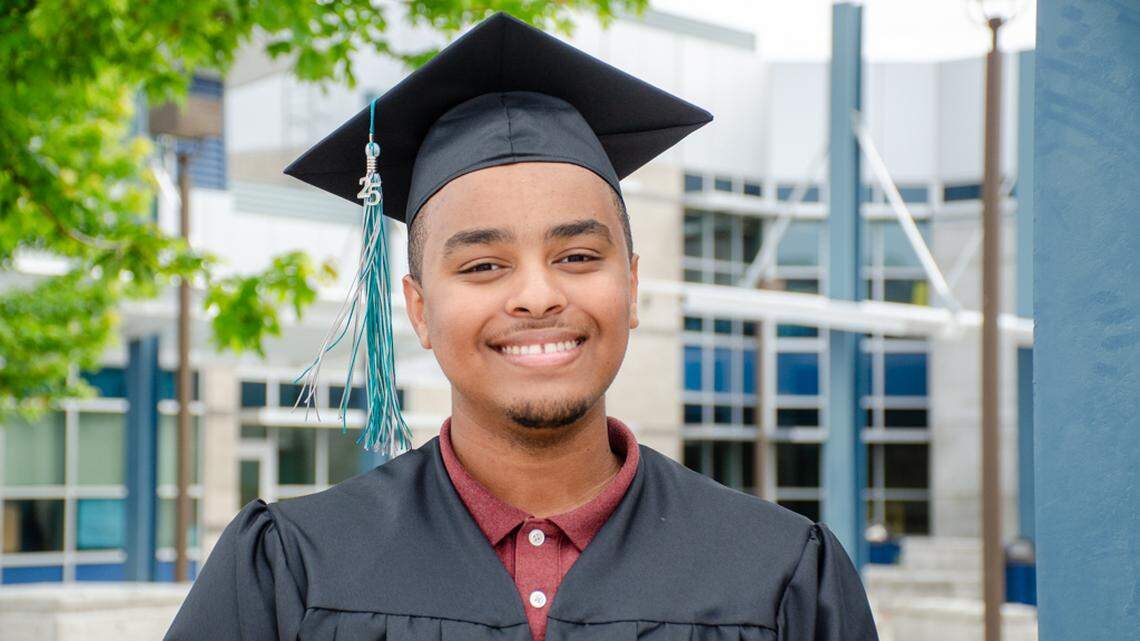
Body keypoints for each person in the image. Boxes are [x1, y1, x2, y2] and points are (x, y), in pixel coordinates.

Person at [163, 11, 879, 641]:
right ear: (418, 309)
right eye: (482, 266)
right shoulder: (290, 570)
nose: (537, 295)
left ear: (631, 286)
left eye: (576, 255)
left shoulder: (782, 575)